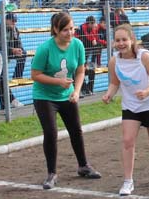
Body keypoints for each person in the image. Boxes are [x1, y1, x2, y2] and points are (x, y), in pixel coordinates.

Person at [30, 12, 101, 189]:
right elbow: (35, 75)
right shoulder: (45, 49)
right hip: (45, 97)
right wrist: (58, 82)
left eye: (72, 29)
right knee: (51, 133)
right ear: (55, 30)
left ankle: (83, 166)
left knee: (76, 130)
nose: (70, 33)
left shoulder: (77, 45)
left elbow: (80, 70)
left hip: (67, 95)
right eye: (65, 30)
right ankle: (51, 173)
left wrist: (76, 91)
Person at [102, 24, 149, 195]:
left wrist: (146, 92)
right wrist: (109, 94)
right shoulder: (114, 61)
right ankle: (128, 181)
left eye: (124, 39)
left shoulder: (144, 57)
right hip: (131, 106)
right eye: (117, 40)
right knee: (127, 141)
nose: (121, 43)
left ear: (132, 40)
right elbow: (114, 83)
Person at [0, 12, 27, 80]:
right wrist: (12, 50)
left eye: (16, 21)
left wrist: (19, 49)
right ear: (6, 20)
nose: (14, 22)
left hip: (9, 51)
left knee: (23, 53)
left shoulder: (15, 30)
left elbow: (18, 42)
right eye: (13, 21)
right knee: (1, 55)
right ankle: (2, 79)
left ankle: (17, 77)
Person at [75, 16, 106, 95]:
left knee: (92, 71)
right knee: (79, 72)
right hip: (78, 57)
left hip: (86, 54)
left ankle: (90, 90)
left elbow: (96, 40)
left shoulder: (93, 30)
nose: (94, 25)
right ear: (88, 23)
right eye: (93, 23)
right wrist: (93, 39)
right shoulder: (80, 29)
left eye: (95, 23)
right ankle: (84, 90)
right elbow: (77, 41)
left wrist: (96, 41)